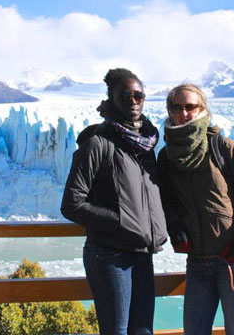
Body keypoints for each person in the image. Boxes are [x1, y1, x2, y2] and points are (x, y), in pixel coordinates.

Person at [61, 68, 168, 335]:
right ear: (111, 99)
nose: (133, 101)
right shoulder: (97, 143)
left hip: (142, 254)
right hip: (110, 255)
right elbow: (72, 203)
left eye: (138, 95)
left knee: (143, 331)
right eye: (125, 96)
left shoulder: (146, 144)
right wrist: (117, 222)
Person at [157, 83, 234, 335]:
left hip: (232, 262)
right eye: (177, 107)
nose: (184, 113)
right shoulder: (167, 156)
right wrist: (176, 230)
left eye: (190, 106)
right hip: (197, 263)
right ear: (169, 111)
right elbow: (167, 201)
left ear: (202, 108)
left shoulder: (224, 148)